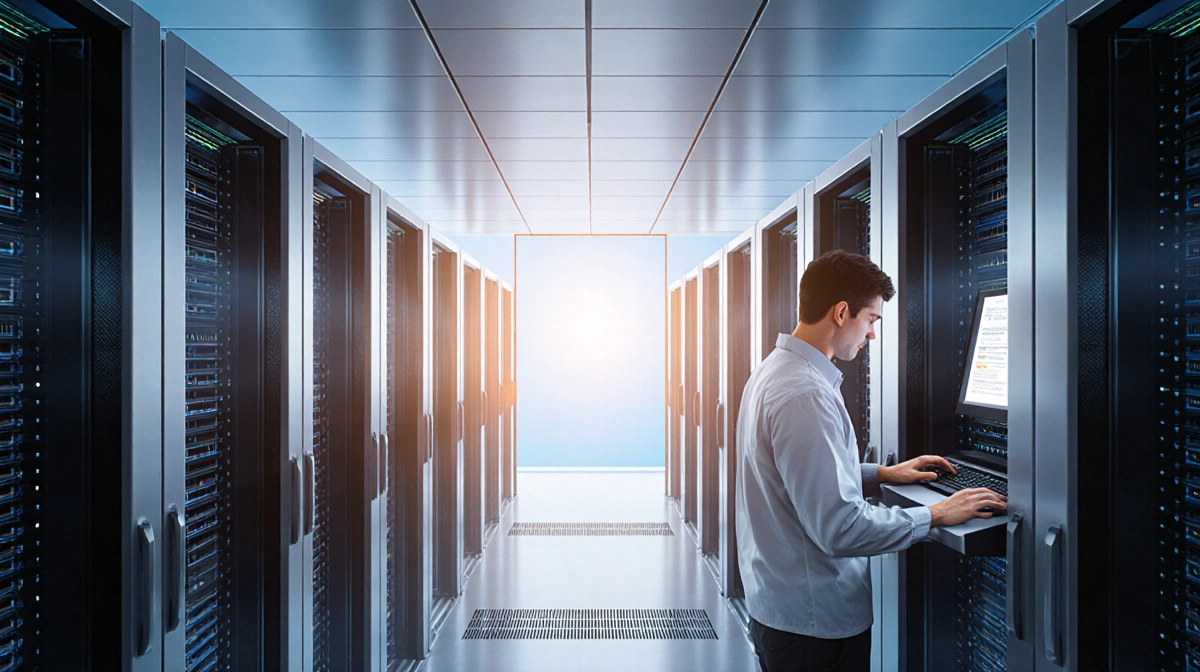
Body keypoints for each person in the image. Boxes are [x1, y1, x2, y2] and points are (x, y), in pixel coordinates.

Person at [735, 249, 1006, 672]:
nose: (872, 334)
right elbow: (839, 528)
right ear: (841, 312)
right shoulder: (804, 394)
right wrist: (934, 515)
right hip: (815, 626)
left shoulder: (774, 372)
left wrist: (880, 474)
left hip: (786, 611)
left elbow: (796, 479)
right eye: (872, 319)